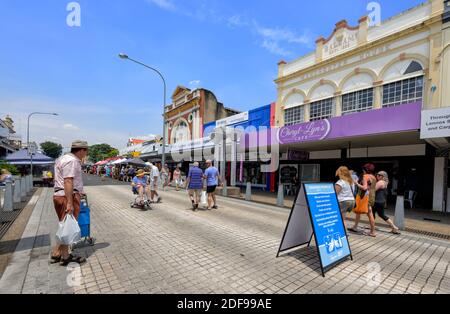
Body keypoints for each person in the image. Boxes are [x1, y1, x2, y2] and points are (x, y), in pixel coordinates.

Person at [50, 140, 88, 266]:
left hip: (61, 194)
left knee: (65, 224)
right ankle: (65, 256)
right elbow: (68, 181)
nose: (86, 154)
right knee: (67, 226)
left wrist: (79, 191)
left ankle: (57, 253)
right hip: (66, 196)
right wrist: (70, 203)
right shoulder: (72, 161)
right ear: (81, 150)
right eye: (86, 151)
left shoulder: (62, 158)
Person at [349, 163, 377, 237]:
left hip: (365, 196)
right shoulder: (374, 177)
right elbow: (371, 187)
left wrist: (356, 183)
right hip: (371, 196)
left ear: (365, 170)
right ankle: (355, 226)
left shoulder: (365, 176)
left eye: (363, 169)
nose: (363, 171)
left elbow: (364, 188)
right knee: (365, 212)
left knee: (369, 213)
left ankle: (373, 232)